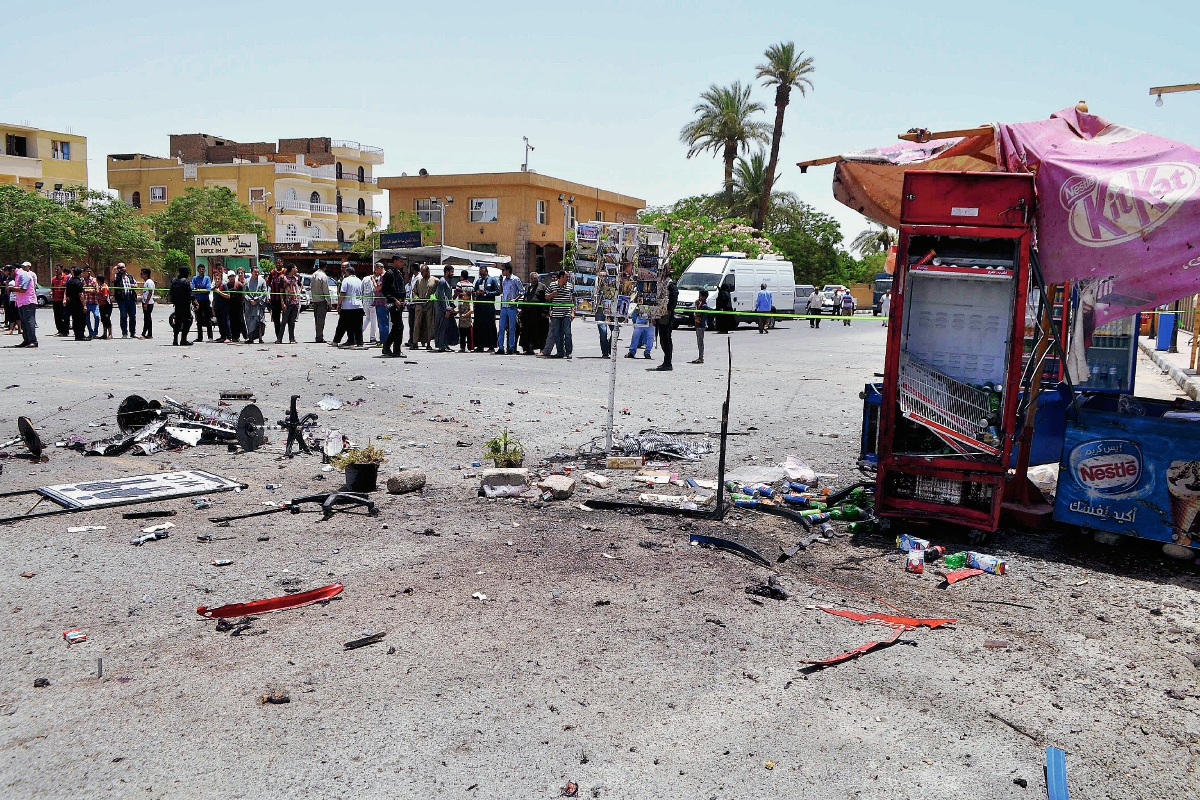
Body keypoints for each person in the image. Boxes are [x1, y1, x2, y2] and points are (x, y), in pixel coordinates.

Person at [538, 270, 575, 358]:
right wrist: (552, 294)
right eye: (566, 276)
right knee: (557, 334)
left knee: (567, 333)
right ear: (561, 277)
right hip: (556, 314)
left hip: (566, 313)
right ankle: (560, 352)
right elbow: (546, 297)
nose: (568, 278)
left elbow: (573, 300)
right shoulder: (552, 285)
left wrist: (573, 312)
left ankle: (569, 352)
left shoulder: (570, 286)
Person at [381, 260, 407, 358]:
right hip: (393, 303)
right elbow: (385, 290)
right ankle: (393, 348)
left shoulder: (399, 273)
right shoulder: (389, 273)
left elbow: (401, 289)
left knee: (397, 327)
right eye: (400, 261)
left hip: (400, 303)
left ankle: (388, 347)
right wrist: (394, 299)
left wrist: (405, 299)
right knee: (399, 326)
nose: (402, 263)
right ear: (395, 261)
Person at [651, 275, 678, 371]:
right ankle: (666, 361)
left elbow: (673, 299)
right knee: (664, 338)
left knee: (665, 338)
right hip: (661, 314)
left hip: (666, 315)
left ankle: (668, 362)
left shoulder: (670, 284)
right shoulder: (662, 283)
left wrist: (668, 310)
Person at [333, 265, 364, 348]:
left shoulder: (346, 280)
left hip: (347, 306)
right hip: (358, 306)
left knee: (342, 325)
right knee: (357, 326)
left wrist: (339, 304)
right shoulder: (359, 280)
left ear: (347, 272)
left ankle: (336, 341)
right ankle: (358, 342)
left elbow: (343, 293)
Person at [472, 265, 500, 352]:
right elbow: (474, 291)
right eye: (481, 274)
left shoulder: (492, 280)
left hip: (489, 307)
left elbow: (497, 291)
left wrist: (487, 293)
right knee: (479, 326)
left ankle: (491, 346)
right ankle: (479, 345)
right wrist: (477, 293)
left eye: (483, 274)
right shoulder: (479, 281)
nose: (482, 276)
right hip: (479, 307)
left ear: (487, 272)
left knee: (490, 326)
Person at [496, 263, 522, 356]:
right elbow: (501, 292)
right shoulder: (504, 280)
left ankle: (511, 347)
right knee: (502, 327)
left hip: (512, 307)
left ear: (508, 270)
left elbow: (522, 291)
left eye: (503, 270)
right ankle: (501, 347)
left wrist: (515, 299)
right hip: (504, 306)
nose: (502, 272)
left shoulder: (515, 279)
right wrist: (500, 283)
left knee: (511, 328)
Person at [11, 261, 38, 348]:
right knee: (24, 323)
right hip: (21, 302)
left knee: (29, 322)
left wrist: (12, 288)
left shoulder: (24, 275)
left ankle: (33, 341)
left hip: (28, 302)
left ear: (12, 270)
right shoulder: (18, 276)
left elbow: (23, 289)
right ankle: (26, 340)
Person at [519, 271, 546, 354]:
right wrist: (520, 309)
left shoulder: (542, 286)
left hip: (538, 313)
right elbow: (525, 298)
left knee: (539, 331)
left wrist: (545, 311)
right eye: (532, 278)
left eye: (535, 278)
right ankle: (529, 348)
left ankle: (542, 349)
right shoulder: (527, 286)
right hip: (527, 312)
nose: (534, 280)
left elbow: (546, 299)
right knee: (527, 331)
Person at [433, 265, 459, 352]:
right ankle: (441, 345)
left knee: (447, 327)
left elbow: (448, 297)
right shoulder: (442, 281)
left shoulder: (448, 282)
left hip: (447, 308)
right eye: (451, 272)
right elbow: (442, 297)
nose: (453, 274)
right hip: (442, 309)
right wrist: (447, 309)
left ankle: (445, 344)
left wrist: (452, 306)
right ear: (447, 272)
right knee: (441, 327)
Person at [111, 263, 138, 338]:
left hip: (131, 298)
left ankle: (133, 333)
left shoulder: (130, 276)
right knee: (123, 316)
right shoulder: (117, 277)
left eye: (122, 267)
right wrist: (113, 270)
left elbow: (136, 285)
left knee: (132, 316)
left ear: (125, 268)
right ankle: (124, 333)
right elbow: (112, 279)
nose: (121, 269)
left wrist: (133, 285)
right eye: (119, 267)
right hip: (122, 299)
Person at [243, 266, 268, 344]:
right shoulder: (246, 281)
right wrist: (250, 300)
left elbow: (264, 292)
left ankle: (260, 338)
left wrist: (257, 300)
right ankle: (250, 338)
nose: (257, 273)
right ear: (251, 272)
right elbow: (244, 293)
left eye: (258, 272)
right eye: (255, 272)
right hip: (249, 305)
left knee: (259, 322)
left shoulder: (262, 281)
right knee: (250, 322)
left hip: (258, 305)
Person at [169, 266, 193, 346]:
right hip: (185, 305)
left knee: (177, 322)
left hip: (177, 305)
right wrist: (194, 301)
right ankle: (183, 339)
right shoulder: (185, 282)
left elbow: (171, 292)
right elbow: (189, 294)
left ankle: (175, 340)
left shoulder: (174, 281)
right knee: (187, 321)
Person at [309, 264, 332, 343]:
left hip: (315, 300)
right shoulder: (323, 276)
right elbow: (326, 290)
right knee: (321, 320)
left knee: (317, 319)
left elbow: (311, 287)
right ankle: (319, 336)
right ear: (325, 266)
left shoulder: (313, 275)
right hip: (321, 300)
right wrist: (329, 302)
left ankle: (318, 335)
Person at [190, 264, 213, 342]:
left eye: (203, 269)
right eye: (200, 269)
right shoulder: (195, 278)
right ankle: (200, 337)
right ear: (197, 270)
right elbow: (192, 289)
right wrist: (201, 290)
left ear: (205, 270)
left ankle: (210, 337)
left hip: (205, 301)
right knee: (199, 319)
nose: (201, 271)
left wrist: (198, 290)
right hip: (197, 302)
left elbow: (208, 290)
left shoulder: (207, 278)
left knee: (208, 319)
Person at [280, 265, 301, 343]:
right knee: (284, 321)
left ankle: (292, 339)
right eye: (295, 268)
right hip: (287, 302)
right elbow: (281, 291)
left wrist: (298, 293)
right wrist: (282, 302)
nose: (296, 269)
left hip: (295, 303)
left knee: (292, 322)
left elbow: (300, 285)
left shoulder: (296, 278)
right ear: (292, 269)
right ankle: (279, 339)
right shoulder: (283, 278)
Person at [66, 267, 87, 341]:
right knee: (82, 320)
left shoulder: (69, 283)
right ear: (80, 274)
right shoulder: (79, 283)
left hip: (72, 303)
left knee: (74, 319)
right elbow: (81, 295)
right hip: (79, 304)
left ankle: (76, 335)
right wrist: (84, 305)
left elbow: (67, 296)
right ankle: (81, 335)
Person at [371, 262, 390, 346]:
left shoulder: (383, 276)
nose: (375, 271)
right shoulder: (383, 276)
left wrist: (373, 281)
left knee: (383, 323)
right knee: (382, 322)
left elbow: (378, 288)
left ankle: (384, 341)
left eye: (375, 269)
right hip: (380, 302)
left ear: (379, 268)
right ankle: (383, 340)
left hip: (382, 303)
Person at [690, 289, 710, 364]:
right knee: (699, 341)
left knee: (700, 341)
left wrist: (696, 307)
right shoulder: (700, 304)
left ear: (704, 297)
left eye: (700, 295)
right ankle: (700, 357)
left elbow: (697, 313)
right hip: (698, 324)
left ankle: (701, 357)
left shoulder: (704, 306)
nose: (699, 297)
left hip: (701, 325)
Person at [212, 269, 232, 343]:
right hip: (217, 307)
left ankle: (229, 337)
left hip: (224, 307)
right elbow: (214, 299)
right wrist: (213, 309)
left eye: (218, 279)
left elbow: (228, 296)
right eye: (216, 279)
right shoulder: (214, 288)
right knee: (220, 323)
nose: (217, 280)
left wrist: (220, 292)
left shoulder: (224, 286)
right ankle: (222, 336)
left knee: (226, 322)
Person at [456, 273, 474, 352]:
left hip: (468, 322)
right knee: (462, 336)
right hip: (461, 322)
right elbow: (459, 310)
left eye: (464, 296)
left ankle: (469, 348)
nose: (463, 297)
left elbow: (471, 310)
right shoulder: (471, 285)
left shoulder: (459, 284)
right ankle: (462, 347)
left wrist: (465, 314)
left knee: (469, 336)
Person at [361, 263, 378, 344]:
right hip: (371, 302)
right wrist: (374, 301)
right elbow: (373, 291)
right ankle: (372, 337)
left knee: (367, 318)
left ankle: (360, 332)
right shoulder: (373, 280)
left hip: (365, 301)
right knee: (373, 320)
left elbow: (361, 289)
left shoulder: (364, 279)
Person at [51, 265, 69, 337]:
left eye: (57, 269)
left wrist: (65, 298)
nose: (56, 271)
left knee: (64, 316)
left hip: (63, 300)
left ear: (62, 269)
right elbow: (52, 288)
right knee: (57, 316)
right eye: (55, 269)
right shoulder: (54, 279)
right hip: (56, 300)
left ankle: (65, 331)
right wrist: (52, 293)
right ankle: (60, 330)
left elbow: (67, 289)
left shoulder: (66, 277)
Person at [82, 267, 100, 339]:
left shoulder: (94, 280)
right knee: (87, 319)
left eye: (89, 271)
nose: (89, 273)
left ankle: (95, 332)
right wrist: (90, 289)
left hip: (94, 302)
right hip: (86, 303)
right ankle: (91, 332)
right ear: (84, 272)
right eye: (87, 271)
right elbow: (81, 291)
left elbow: (97, 290)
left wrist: (86, 290)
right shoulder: (82, 281)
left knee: (97, 316)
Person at [140, 268, 155, 339]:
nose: (141, 275)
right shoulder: (146, 282)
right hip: (146, 302)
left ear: (146, 274)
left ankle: (143, 333)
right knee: (148, 318)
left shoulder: (149, 282)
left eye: (142, 274)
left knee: (146, 319)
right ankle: (149, 334)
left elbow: (150, 293)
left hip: (148, 303)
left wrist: (146, 303)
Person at [97, 275, 113, 339]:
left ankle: (110, 334)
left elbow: (105, 297)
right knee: (103, 319)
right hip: (101, 305)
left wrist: (98, 297)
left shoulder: (104, 287)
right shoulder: (100, 286)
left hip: (107, 305)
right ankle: (104, 333)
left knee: (107, 319)